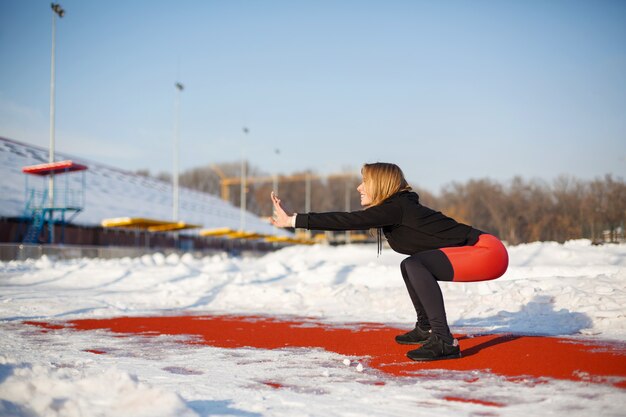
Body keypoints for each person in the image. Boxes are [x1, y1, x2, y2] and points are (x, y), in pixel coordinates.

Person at [270, 162, 509, 361]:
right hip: (484, 250)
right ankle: (426, 327)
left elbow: (348, 220)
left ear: (381, 184)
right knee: (410, 264)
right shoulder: (397, 208)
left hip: (488, 252)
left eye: (365, 182)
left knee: (417, 264)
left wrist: (294, 220)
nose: (359, 187)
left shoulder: (397, 207)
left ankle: (444, 341)